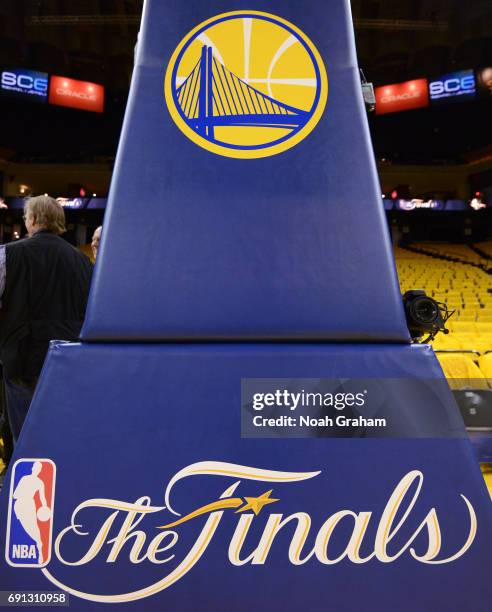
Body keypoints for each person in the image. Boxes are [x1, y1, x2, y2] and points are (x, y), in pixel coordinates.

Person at [0, 196, 92, 441]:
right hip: (70, 357)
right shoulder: (83, 261)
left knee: (25, 438)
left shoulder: (8, 254)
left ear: (32, 219)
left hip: (22, 356)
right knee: (63, 433)